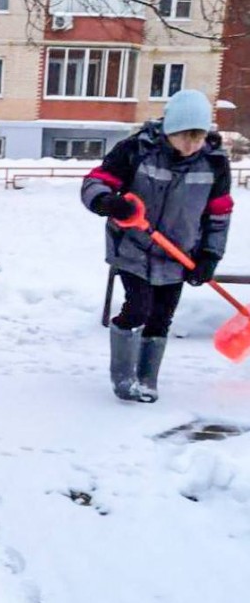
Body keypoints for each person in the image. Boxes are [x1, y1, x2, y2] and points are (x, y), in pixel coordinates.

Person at [81, 89, 233, 403]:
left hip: (178, 254)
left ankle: (147, 380)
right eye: (184, 137)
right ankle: (123, 378)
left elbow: (219, 215)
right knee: (138, 309)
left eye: (198, 137)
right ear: (168, 130)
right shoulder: (137, 150)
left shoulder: (214, 164)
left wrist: (209, 255)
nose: (191, 145)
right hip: (133, 247)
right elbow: (96, 181)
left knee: (162, 316)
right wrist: (108, 202)